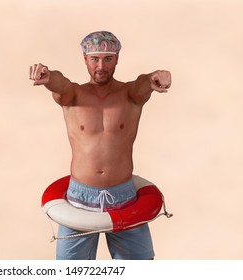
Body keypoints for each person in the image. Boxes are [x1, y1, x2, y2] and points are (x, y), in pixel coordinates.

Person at [29, 31, 171, 260]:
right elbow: (60, 82)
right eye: (94, 59)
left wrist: (156, 76)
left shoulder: (130, 95)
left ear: (117, 59)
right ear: (85, 59)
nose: (101, 66)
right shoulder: (73, 94)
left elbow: (144, 82)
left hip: (124, 196)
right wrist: (47, 76)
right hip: (79, 199)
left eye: (108, 58)